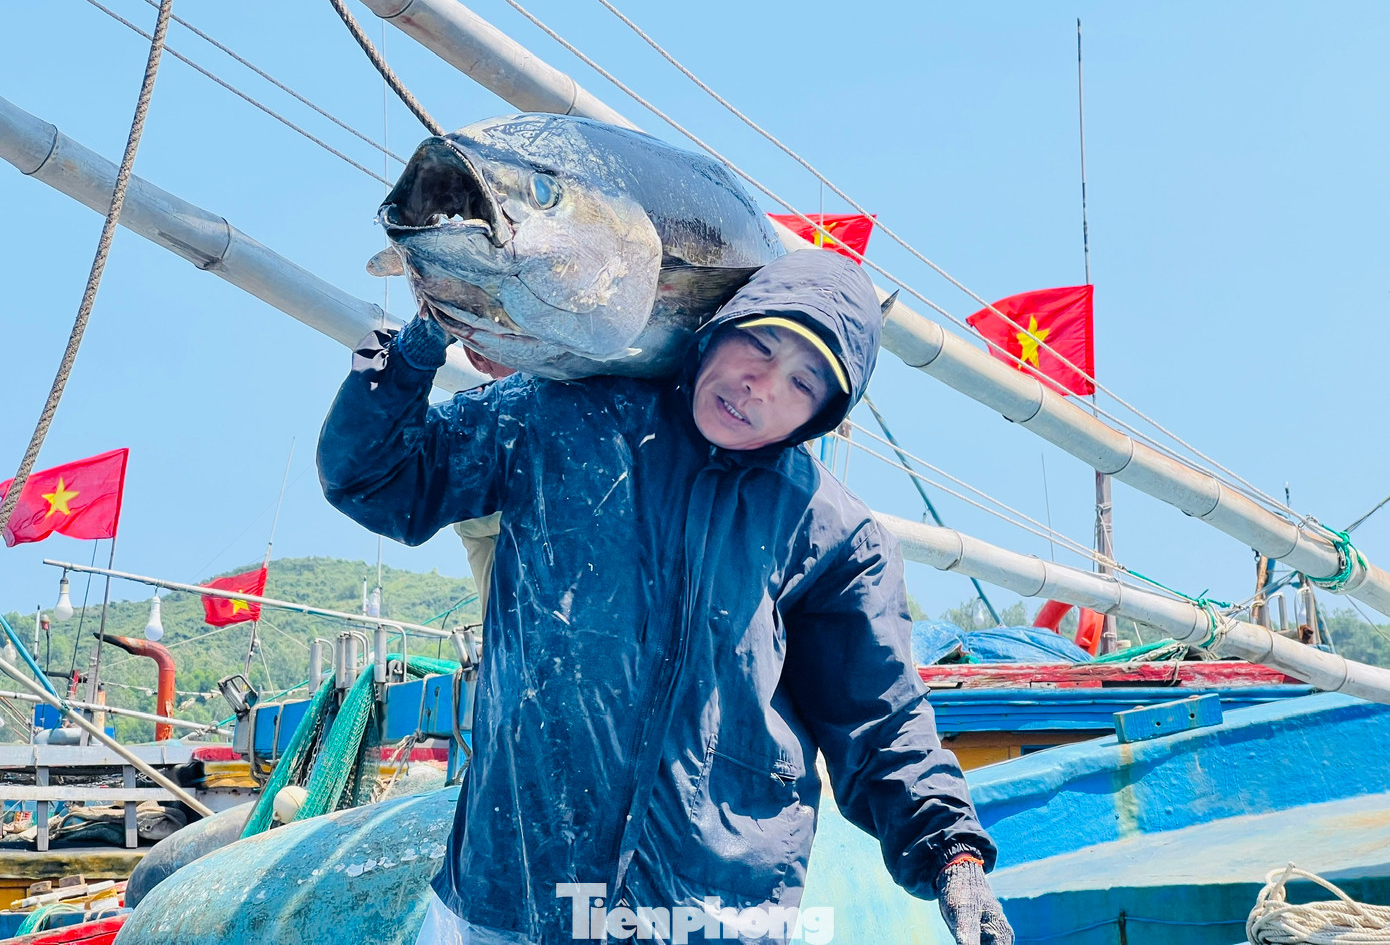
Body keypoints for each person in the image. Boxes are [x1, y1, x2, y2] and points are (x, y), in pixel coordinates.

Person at [318, 249, 1013, 945]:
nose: (760, 386)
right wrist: (423, 337)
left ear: (821, 414)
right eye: (760, 343)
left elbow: (881, 721)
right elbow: (380, 477)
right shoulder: (564, 412)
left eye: (801, 382)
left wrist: (952, 851)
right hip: (508, 902)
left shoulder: (836, 536)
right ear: (720, 327)